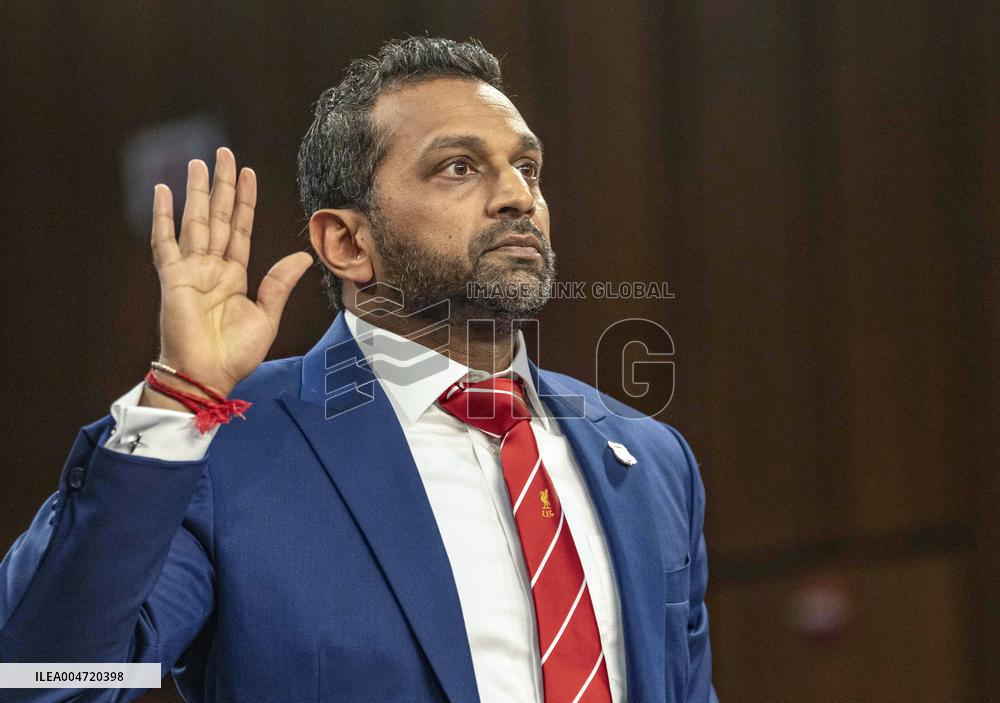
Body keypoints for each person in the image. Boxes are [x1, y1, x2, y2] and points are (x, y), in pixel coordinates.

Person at [0, 37, 718, 703]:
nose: (518, 197)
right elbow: (46, 678)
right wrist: (174, 400)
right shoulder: (223, 448)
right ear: (347, 242)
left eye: (526, 167)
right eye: (459, 167)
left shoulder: (653, 462)